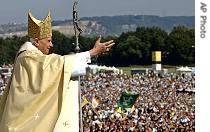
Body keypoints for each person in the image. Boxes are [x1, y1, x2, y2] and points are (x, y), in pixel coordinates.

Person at [0, 10, 115, 132]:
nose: (51, 45)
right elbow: (55, 65)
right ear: (37, 41)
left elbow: (56, 67)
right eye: (49, 40)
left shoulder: (29, 57)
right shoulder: (28, 58)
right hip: (20, 125)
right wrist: (92, 52)